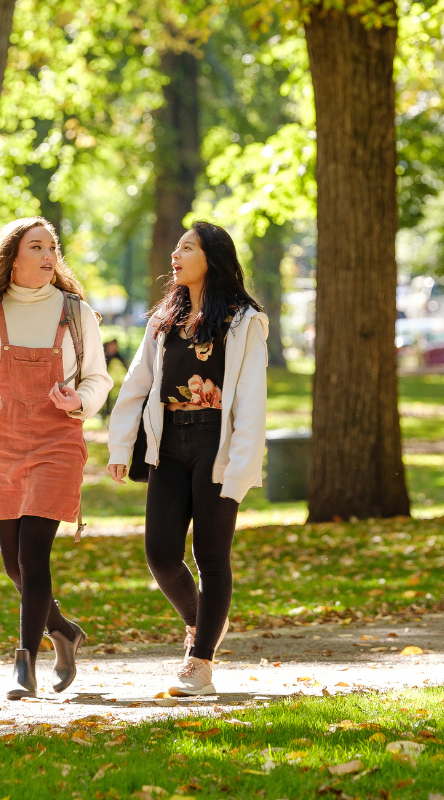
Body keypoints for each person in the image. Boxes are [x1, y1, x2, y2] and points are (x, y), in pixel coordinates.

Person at [106, 220, 268, 697]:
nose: (175, 255)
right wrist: (120, 446)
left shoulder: (243, 321)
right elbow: (137, 384)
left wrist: (241, 465)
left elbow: (251, 403)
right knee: (160, 554)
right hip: (169, 443)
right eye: (175, 247)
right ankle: (201, 624)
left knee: (211, 556)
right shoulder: (163, 320)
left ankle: (200, 663)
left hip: (217, 442)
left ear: (211, 259)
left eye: (187, 248)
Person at [0, 216, 113, 699]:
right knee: (12, 563)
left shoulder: (75, 312)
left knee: (33, 553)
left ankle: (25, 661)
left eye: (52, 248)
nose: (48, 256)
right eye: (36, 247)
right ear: (12, 257)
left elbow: (98, 379)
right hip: (2, 440)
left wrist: (79, 403)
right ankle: (63, 629)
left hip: (57, 441)